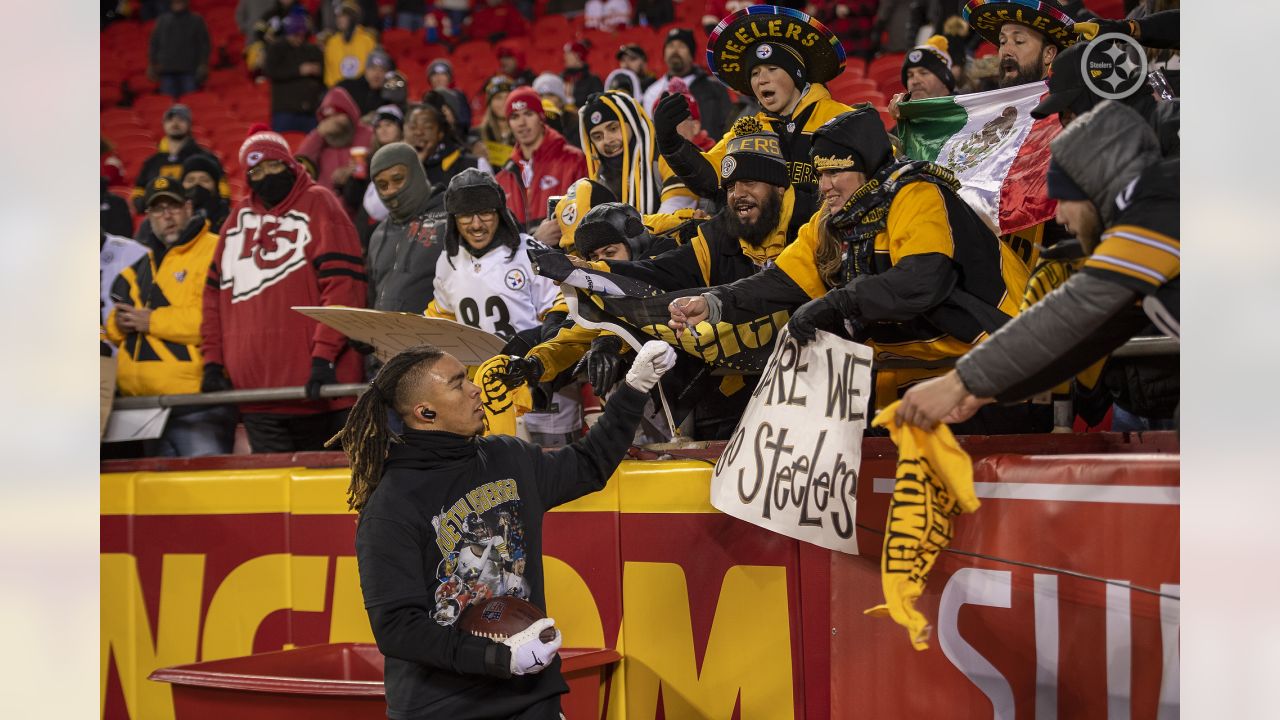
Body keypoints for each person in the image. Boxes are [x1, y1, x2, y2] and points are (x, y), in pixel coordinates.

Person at [340, 339, 674, 719]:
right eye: (457, 383)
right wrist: (498, 658)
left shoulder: (507, 456)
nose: (475, 388)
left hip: (531, 697)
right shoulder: (390, 506)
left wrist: (634, 389)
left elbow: (587, 465)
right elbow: (398, 629)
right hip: (445, 709)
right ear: (426, 412)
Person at [668, 108, 1038, 431]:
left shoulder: (918, 194)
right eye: (820, 174)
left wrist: (838, 302)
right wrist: (713, 303)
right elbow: (778, 281)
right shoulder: (831, 220)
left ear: (864, 167)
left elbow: (922, 281)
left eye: (834, 173)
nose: (824, 186)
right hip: (918, 379)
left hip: (998, 371)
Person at [894, 101, 1178, 431]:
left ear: (1091, 190)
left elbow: (1073, 309)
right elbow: (1085, 337)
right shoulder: (1158, 211)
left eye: (1063, 199)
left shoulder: (1165, 203)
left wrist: (958, 382)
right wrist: (986, 389)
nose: (1058, 217)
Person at [201, 131, 368, 453]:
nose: (265, 178)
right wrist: (212, 361)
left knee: (331, 495)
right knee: (275, 496)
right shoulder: (236, 221)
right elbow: (212, 299)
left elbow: (343, 287)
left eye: (272, 166)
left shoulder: (320, 202)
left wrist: (323, 355)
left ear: (289, 164)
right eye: (256, 173)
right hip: (257, 398)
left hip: (321, 391)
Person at [428, 169, 582, 445]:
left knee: (556, 478)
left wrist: (538, 358)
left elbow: (563, 308)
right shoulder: (447, 263)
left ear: (500, 211)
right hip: (483, 397)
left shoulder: (530, 253)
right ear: (453, 219)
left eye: (485, 213)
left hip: (540, 392)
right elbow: (441, 322)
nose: (476, 224)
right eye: (465, 215)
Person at [653, 8, 849, 200]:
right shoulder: (747, 130)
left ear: (796, 75)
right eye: (754, 73)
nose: (761, 80)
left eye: (772, 69)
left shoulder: (842, 119)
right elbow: (710, 178)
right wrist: (671, 144)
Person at [105, 177, 234, 457]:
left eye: (173, 207)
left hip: (198, 402)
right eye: (158, 209)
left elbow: (217, 321)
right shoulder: (141, 265)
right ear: (149, 217)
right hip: (145, 407)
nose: (166, 216)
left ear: (188, 208)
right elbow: (115, 322)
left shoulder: (215, 250)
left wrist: (150, 321)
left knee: (206, 490)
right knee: (161, 498)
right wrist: (119, 323)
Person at [366, 142, 449, 313]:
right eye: (382, 185)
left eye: (397, 179)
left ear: (416, 173)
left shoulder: (451, 219)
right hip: (382, 337)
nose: (390, 191)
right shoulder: (378, 235)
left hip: (439, 337)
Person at [495, 88, 588, 230]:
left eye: (528, 114)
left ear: (541, 117)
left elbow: (585, 218)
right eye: (515, 117)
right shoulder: (503, 178)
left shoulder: (574, 160)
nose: (522, 123)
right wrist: (536, 240)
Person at [577, 91, 661, 216]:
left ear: (632, 124)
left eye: (613, 128)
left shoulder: (661, 160)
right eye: (597, 136)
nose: (607, 140)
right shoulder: (599, 182)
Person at [641, 28, 732, 142]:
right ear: (664, 54)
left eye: (681, 46)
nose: (675, 50)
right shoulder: (652, 91)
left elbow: (728, 124)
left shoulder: (714, 87)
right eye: (670, 46)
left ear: (691, 55)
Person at [961, 0, 1077, 89]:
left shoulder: (1067, 112)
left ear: (1048, 54)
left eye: (1019, 41)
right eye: (1002, 42)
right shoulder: (986, 109)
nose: (1006, 51)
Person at [130, 104, 224, 214]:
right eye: (170, 119)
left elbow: (223, 192)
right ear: (164, 124)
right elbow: (138, 194)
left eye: (181, 119)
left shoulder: (205, 158)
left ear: (189, 124)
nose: (175, 123)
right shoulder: (152, 162)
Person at [297, 86, 375, 195]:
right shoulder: (320, 138)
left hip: (360, 199)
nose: (333, 121)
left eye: (338, 115)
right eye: (328, 117)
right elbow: (300, 162)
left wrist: (350, 173)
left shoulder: (368, 134)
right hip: (325, 201)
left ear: (349, 113)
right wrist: (318, 133)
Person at [263, 12, 326, 133]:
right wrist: (299, 70)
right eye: (295, 35)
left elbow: (324, 73)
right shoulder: (276, 48)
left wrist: (318, 70)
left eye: (301, 34)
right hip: (285, 111)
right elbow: (271, 71)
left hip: (309, 111)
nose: (299, 38)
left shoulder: (312, 49)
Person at [407, 102, 489, 187]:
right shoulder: (398, 166)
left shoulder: (474, 165)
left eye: (427, 127)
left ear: (440, 134)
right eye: (413, 127)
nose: (419, 132)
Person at [148, 0, 210, 97]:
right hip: (167, 70)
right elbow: (154, 44)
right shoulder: (162, 20)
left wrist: (203, 63)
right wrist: (152, 63)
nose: (177, 4)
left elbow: (204, 45)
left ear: (186, 3)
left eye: (180, 2)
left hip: (189, 70)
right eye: (175, 2)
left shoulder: (196, 20)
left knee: (191, 103)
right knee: (168, 105)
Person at [888, 35, 957, 121]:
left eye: (924, 73)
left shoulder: (966, 114)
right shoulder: (902, 124)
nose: (915, 81)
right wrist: (903, 123)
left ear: (945, 81)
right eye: (910, 75)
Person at [323, 0, 379, 88]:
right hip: (338, 90)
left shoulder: (367, 41)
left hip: (362, 88)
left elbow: (373, 69)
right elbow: (330, 74)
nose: (339, 20)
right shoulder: (332, 42)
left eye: (344, 16)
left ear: (353, 18)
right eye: (338, 17)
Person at [181, 154, 231, 232]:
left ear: (216, 186)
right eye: (190, 180)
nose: (197, 184)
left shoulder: (229, 217)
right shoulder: (174, 216)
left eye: (204, 180)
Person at [338, 48, 394, 116]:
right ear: (366, 70)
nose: (377, 74)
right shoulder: (347, 87)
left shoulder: (389, 98)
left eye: (382, 70)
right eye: (373, 68)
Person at [478, 77, 516, 168]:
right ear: (490, 103)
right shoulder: (476, 136)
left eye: (507, 97)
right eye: (498, 98)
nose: (504, 102)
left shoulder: (524, 133)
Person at [561, 41, 604, 115]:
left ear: (578, 55)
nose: (565, 56)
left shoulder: (593, 80)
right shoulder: (561, 77)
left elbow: (598, 106)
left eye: (569, 53)